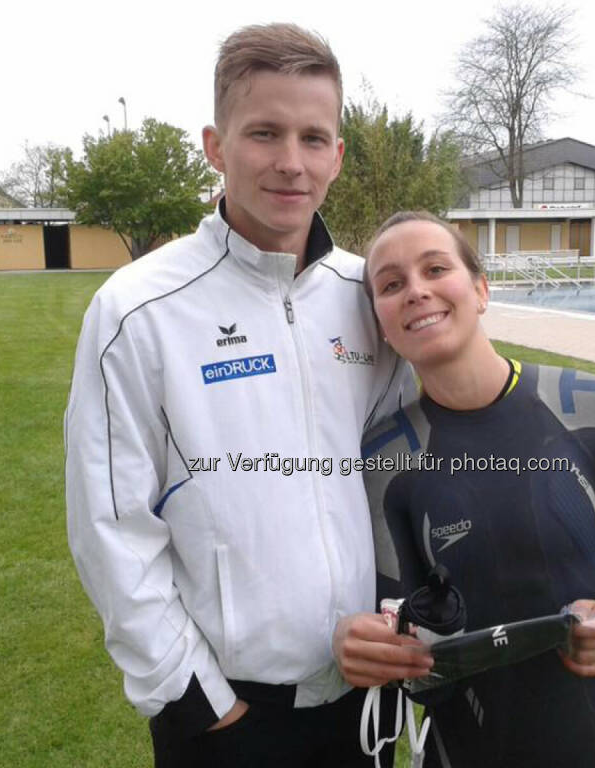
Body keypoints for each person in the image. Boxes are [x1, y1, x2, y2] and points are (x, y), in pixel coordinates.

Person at [65, 24, 418, 767]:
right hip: (228, 718)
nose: (292, 163)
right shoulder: (138, 310)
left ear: (339, 156)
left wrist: (400, 619)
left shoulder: (368, 297)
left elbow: (408, 482)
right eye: (264, 133)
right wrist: (199, 702)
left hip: (366, 702)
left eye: (314, 138)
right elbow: (111, 529)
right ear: (215, 146)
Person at [333, 212, 595, 767]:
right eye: (391, 284)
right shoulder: (386, 459)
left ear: (480, 289)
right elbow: (407, 634)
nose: (416, 291)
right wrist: (380, 645)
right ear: (381, 323)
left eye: (436, 268)